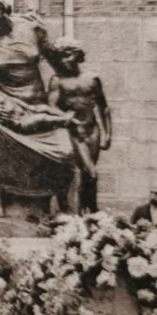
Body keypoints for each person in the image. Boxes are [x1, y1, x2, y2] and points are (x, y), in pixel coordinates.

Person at [0, 0, 76, 227]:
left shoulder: (32, 29)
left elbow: (56, 61)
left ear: (1, 9)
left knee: (66, 151)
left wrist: (76, 85)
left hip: (39, 106)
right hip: (6, 110)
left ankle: (61, 206)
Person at [46, 38, 112, 213]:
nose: (64, 60)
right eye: (61, 57)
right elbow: (51, 107)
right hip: (71, 131)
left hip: (92, 130)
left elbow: (103, 107)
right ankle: (86, 213)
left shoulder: (92, 79)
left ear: (78, 55)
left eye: (68, 55)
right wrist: (65, 117)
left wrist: (107, 134)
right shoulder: (57, 80)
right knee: (88, 173)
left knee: (88, 177)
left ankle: (86, 213)